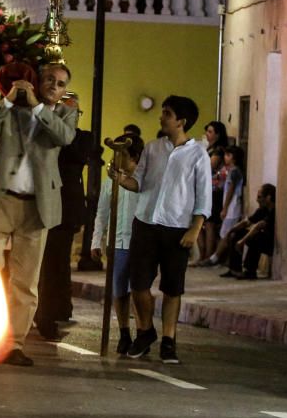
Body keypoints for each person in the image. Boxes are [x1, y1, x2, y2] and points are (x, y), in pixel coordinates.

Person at [0, 62, 77, 366]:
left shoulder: (64, 113)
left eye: (60, 83)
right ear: (36, 80)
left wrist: (36, 108)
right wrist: (6, 98)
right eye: (49, 80)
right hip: (0, 200)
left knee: (25, 282)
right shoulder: (10, 110)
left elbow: (64, 138)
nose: (54, 87)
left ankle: (13, 344)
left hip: (36, 206)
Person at [112, 96, 212, 365]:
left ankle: (169, 340)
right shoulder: (153, 148)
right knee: (139, 285)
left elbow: (204, 196)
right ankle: (146, 331)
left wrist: (195, 229)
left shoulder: (198, 154)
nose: (161, 117)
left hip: (177, 228)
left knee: (172, 288)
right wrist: (121, 180)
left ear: (181, 121)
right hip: (145, 223)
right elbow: (139, 182)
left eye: (167, 113)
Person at [35, 92, 95, 340]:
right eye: (66, 111)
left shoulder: (82, 138)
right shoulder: (47, 136)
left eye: (75, 113)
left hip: (67, 207)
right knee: (45, 262)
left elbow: (76, 154)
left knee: (59, 261)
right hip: (46, 202)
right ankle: (45, 311)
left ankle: (59, 307)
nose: (72, 117)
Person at [91, 133, 145, 355]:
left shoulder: (143, 181)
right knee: (119, 291)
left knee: (140, 291)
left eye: (122, 154)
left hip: (140, 242)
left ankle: (143, 331)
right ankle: (124, 332)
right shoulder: (108, 182)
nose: (117, 159)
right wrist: (97, 240)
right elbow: (102, 213)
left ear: (134, 157)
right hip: (118, 242)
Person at [222, 183, 276, 279]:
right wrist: (230, 232)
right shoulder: (262, 210)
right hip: (264, 239)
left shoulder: (273, 211)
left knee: (255, 237)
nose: (257, 200)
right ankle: (234, 269)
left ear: (268, 197)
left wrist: (242, 241)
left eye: (260, 197)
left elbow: (258, 226)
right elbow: (247, 222)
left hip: (271, 244)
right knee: (238, 233)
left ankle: (250, 271)